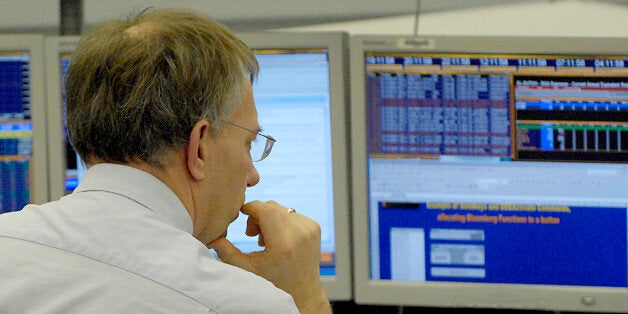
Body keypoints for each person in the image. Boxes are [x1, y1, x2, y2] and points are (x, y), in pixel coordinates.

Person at [0, 7, 331, 314]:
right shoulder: (239, 304)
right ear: (199, 148)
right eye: (248, 143)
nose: (252, 175)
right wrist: (305, 295)